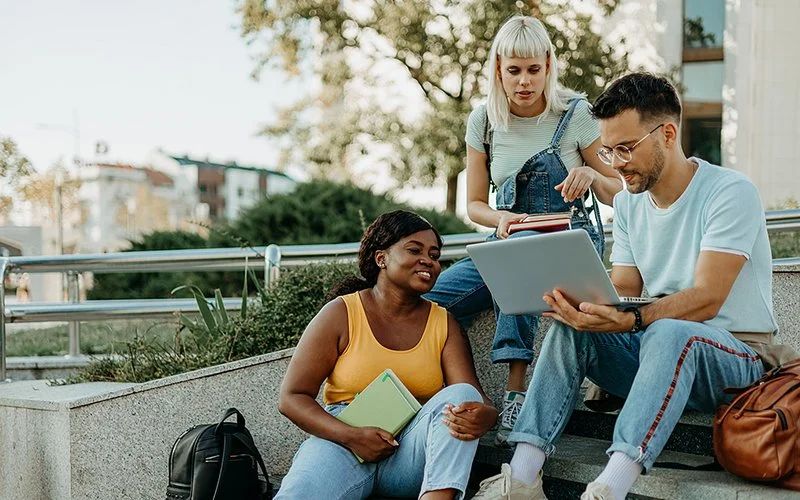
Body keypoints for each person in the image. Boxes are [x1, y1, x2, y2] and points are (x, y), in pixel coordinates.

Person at [471, 72, 793, 500]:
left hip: (738, 360)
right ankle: (523, 477)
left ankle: (609, 487)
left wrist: (633, 318)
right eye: (607, 150)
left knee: (668, 329)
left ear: (667, 134)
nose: (615, 163)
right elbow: (623, 285)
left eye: (625, 149)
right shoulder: (626, 203)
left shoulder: (729, 192)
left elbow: (707, 298)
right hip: (655, 349)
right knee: (575, 329)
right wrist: (586, 305)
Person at [424, 15, 622, 446]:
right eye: (514, 70)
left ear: (548, 65)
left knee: (520, 256)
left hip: (571, 237)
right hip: (510, 236)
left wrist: (591, 174)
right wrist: (501, 220)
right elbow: (475, 204)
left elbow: (618, 190)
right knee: (429, 302)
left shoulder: (576, 114)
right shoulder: (484, 121)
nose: (524, 80)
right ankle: (456, 392)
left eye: (534, 69)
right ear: (498, 68)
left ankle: (515, 390)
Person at [276, 210, 499, 500]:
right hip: (342, 441)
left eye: (434, 255)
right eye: (414, 250)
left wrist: (487, 417)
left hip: (409, 452)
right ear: (381, 258)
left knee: (459, 398)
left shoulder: (444, 323)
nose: (428, 262)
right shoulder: (341, 313)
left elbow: (474, 398)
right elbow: (291, 397)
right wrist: (351, 436)